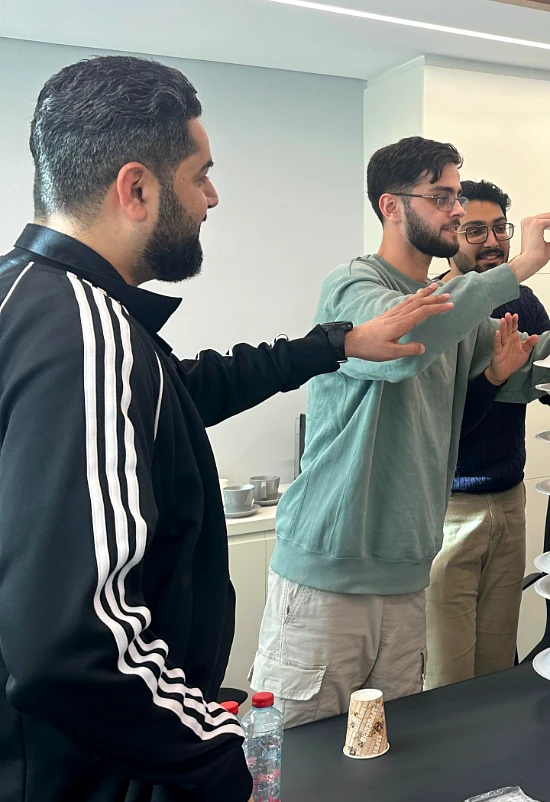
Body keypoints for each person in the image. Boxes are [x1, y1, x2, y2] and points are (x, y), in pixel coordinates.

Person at [0, 57, 450, 802]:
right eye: (199, 175)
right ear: (136, 188)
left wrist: (331, 345)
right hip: (93, 775)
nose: (212, 198)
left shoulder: (33, 299)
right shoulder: (86, 332)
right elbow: (76, 641)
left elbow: (183, 391)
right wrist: (218, 758)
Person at [252, 139, 550, 726]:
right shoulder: (352, 288)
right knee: (306, 759)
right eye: (441, 197)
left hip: (407, 575)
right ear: (391, 206)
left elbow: (528, 373)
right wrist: (519, 267)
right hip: (331, 575)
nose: (456, 211)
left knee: (398, 753)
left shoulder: (454, 309)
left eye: (456, 196)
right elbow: (401, 348)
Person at [424, 180, 550, 689]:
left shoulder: (523, 301)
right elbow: (442, 424)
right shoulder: (435, 307)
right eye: (475, 230)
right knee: (447, 669)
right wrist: (495, 376)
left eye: (500, 227)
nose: (493, 241)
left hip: (510, 501)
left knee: (498, 662)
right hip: (447, 510)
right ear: (451, 233)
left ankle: (495, 769)